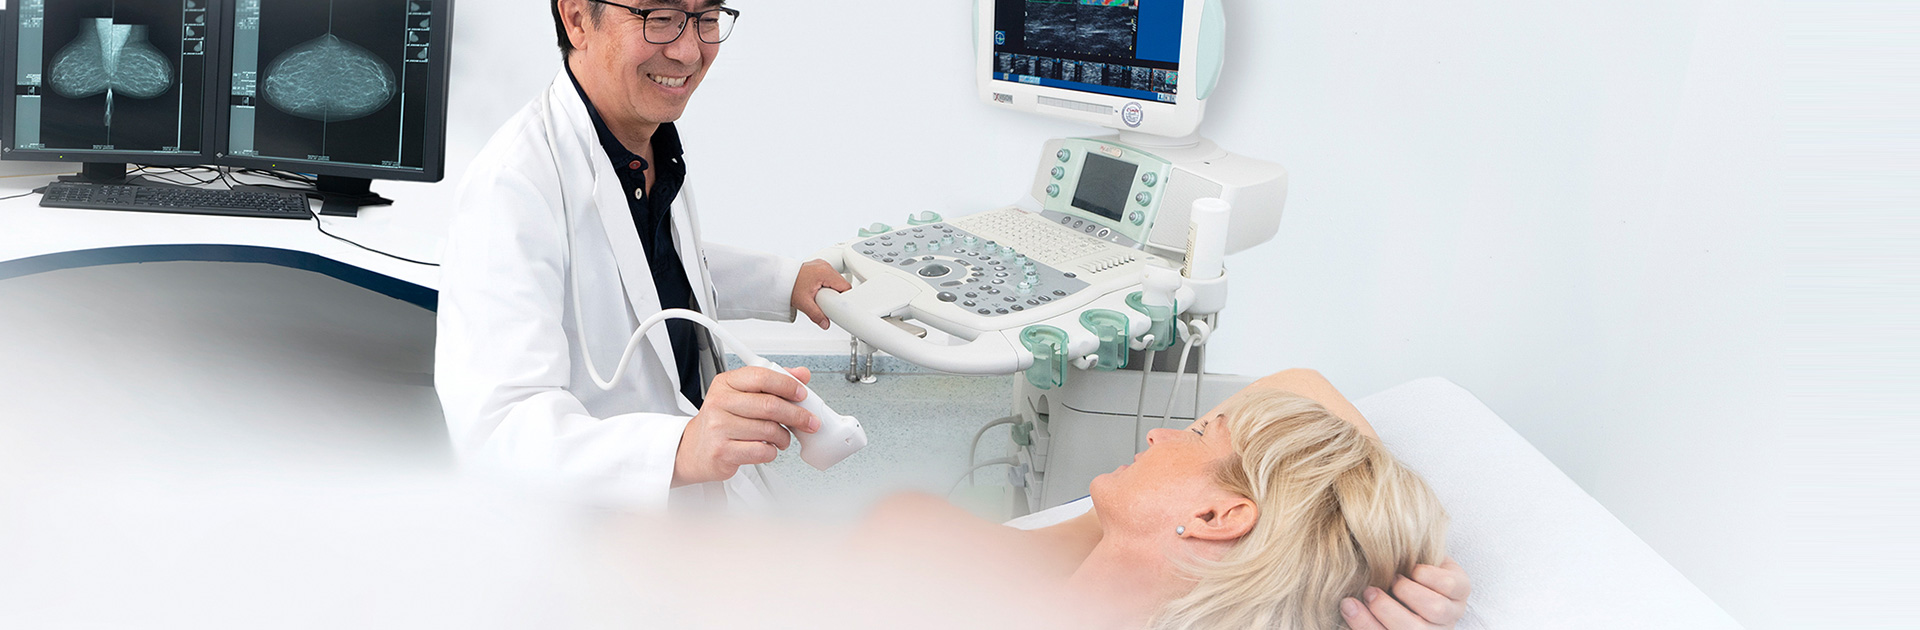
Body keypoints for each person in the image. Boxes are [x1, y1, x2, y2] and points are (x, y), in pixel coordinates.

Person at [435, 0, 851, 505]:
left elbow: (646, 262)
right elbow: (497, 433)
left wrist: (785, 281)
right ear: (577, 19)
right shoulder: (509, 189)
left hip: (701, 510)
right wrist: (680, 448)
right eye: (659, 17)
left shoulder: (647, 144)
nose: (688, 51)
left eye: (707, 18)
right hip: (599, 531)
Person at [861, 369, 1469, 629]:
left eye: (1199, 434)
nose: (1159, 434)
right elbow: (1301, 387)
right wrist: (1381, 545)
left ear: (1215, 515)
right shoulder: (1050, 560)